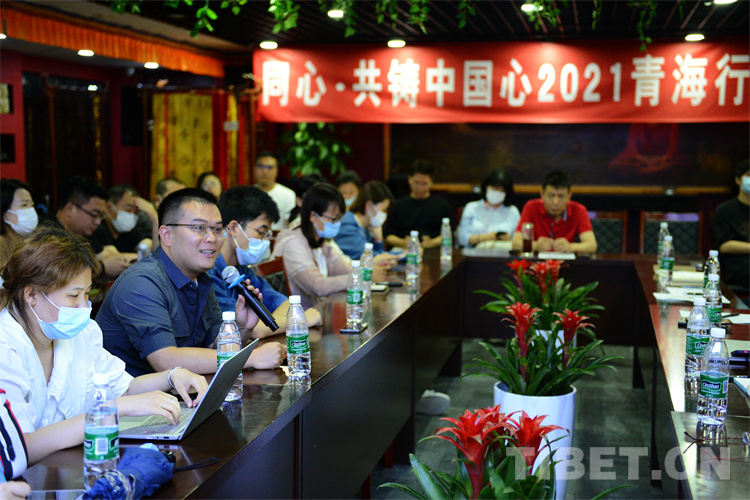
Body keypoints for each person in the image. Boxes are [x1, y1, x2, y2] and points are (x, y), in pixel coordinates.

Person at [0, 224, 208, 465]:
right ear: (31, 295)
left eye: (87, 294)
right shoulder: (6, 347)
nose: (83, 306)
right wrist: (114, 408)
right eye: (73, 295)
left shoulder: (81, 334)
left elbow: (123, 389)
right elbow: (20, 447)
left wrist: (172, 376)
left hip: (70, 467)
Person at [96, 188, 287, 377]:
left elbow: (213, 347)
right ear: (167, 235)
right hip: (134, 395)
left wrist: (242, 327)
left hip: (186, 390)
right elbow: (165, 360)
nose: (212, 238)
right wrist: (250, 358)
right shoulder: (142, 283)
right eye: (199, 228)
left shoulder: (201, 278)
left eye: (217, 229)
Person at [210, 185, 323, 336]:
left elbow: (284, 304)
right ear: (234, 228)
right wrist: (300, 321)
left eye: (267, 235)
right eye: (261, 232)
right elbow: (248, 330)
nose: (265, 241)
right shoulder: (210, 271)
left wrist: (270, 325)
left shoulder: (242, 269)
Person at [272, 183, 388, 310]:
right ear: (313, 216)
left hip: (317, 311)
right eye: (333, 219)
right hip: (297, 317)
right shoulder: (293, 244)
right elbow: (318, 286)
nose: (337, 224)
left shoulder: (320, 241)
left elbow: (342, 267)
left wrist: (364, 272)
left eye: (339, 219)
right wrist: (358, 278)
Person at [54, 176, 132, 279]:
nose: (98, 222)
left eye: (101, 216)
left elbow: (111, 258)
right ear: (70, 209)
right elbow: (59, 272)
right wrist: (101, 267)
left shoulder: (84, 233)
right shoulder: (46, 234)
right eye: (94, 214)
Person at [512, 171, 597, 254]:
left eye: (561, 196)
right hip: (537, 260)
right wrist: (536, 245)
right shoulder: (531, 207)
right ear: (542, 195)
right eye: (551, 196)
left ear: (569, 196)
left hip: (567, 260)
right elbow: (515, 243)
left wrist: (570, 247)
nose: (555, 202)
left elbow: (592, 245)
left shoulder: (579, 210)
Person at [384, 160, 452, 249]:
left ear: (432, 182)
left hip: (432, 250)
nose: (420, 188)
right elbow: (388, 236)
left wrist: (432, 242)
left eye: (424, 184)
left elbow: (448, 235)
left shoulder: (442, 206)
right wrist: (402, 242)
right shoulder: (398, 205)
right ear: (409, 180)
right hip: (403, 249)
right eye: (416, 183)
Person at [712, 159, 750, 299]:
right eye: (749, 175)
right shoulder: (725, 210)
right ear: (738, 180)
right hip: (739, 274)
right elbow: (724, 246)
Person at [457, 170, 521, 247]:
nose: (498, 192)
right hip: (473, 252)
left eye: (502, 190)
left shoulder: (512, 211)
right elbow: (462, 239)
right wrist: (486, 238)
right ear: (486, 187)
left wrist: (508, 239)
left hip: (503, 251)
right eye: (495, 188)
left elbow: (519, 240)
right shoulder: (471, 208)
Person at [334, 181, 395, 260]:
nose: (385, 214)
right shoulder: (347, 226)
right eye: (383, 210)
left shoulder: (366, 227)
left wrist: (378, 239)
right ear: (369, 204)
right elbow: (372, 259)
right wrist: (403, 255)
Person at [91, 183, 158, 253]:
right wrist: (140, 257)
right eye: (128, 209)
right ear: (109, 207)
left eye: (136, 211)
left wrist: (156, 221)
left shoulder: (131, 232)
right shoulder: (96, 227)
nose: (132, 215)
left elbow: (154, 252)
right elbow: (112, 257)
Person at [254, 151, 296, 231]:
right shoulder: (247, 194)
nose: (265, 171)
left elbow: (291, 225)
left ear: (277, 170)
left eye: (270, 167)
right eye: (261, 166)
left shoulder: (288, 194)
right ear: (254, 168)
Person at [1, 179, 37, 268]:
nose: (31, 210)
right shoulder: (1, 244)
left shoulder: (29, 240)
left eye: (32, 205)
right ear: (4, 212)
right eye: (24, 205)